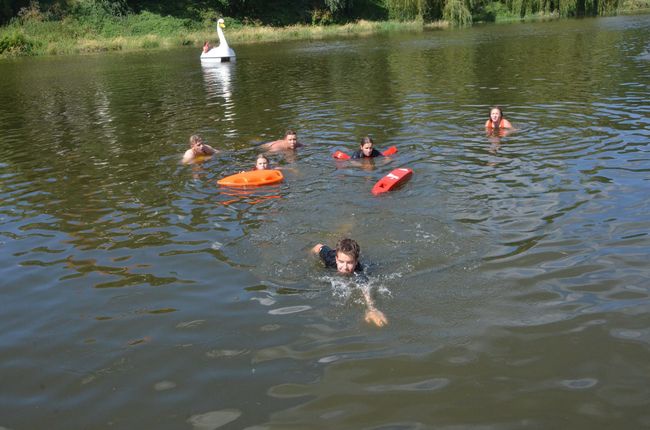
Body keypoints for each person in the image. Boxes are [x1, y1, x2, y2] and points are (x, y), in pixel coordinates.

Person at [311, 239, 388, 327]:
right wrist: (310, 256)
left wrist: (372, 309)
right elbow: (318, 247)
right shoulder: (330, 258)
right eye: (341, 262)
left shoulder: (359, 271)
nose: (345, 267)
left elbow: (365, 288)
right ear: (336, 259)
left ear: (356, 262)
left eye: (350, 263)